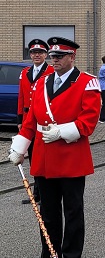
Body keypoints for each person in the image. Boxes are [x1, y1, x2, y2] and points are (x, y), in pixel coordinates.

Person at [8, 37, 101, 258]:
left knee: (72, 210)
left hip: (71, 156)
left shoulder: (87, 83)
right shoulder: (41, 83)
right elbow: (31, 120)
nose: (55, 60)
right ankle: (49, 254)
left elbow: (89, 122)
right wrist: (20, 146)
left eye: (60, 56)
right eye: (53, 56)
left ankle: (71, 257)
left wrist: (62, 131)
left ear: (72, 57)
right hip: (44, 157)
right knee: (47, 210)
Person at [17, 39, 54, 204]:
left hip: (43, 121)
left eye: (40, 53)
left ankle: (45, 192)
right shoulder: (25, 72)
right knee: (32, 156)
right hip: (28, 121)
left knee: (44, 157)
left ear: (46, 55)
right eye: (33, 52)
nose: (36, 55)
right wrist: (20, 120)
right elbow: (21, 97)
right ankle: (37, 193)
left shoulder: (52, 71)